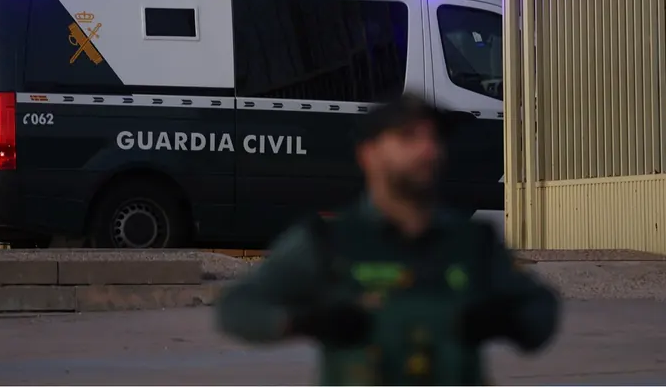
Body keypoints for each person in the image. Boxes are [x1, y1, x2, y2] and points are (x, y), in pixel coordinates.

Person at [217, 93, 559, 385]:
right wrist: (301, 322)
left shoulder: (473, 242)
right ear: (368, 154)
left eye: (434, 138)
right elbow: (237, 308)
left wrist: (507, 322)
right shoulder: (327, 241)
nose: (428, 150)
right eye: (408, 137)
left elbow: (541, 306)